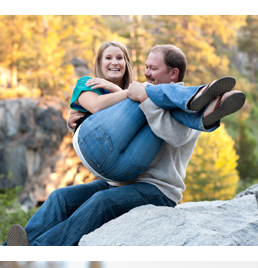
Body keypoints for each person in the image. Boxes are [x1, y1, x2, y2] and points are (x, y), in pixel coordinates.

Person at [0, 43, 241, 248]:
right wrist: (81, 123)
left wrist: (146, 101)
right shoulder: (149, 92)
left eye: (152, 69)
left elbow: (176, 137)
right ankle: (3, 249)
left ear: (173, 73)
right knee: (60, 197)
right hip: (123, 182)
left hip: (157, 191)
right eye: (144, 67)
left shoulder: (183, 108)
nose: (146, 73)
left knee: (100, 202)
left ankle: (34, 251)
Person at [70, 40, 245, 185]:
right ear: (99, 62)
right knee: (151, 94)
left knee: (154, 99)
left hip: (125, 169)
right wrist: (134, 91)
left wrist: (135, 92)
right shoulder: (88, 82)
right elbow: (96, 107)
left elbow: (174, 135)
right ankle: (200, 108)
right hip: (95, 149)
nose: (114, 62)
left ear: (126, 63)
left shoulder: (138, 91)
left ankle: (200, 107)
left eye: (119, 58)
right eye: (108, 57)